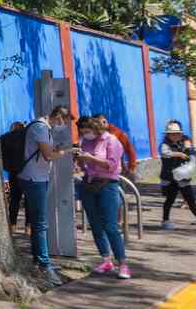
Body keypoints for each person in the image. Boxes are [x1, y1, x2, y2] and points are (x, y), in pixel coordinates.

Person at [19, 106, 73, 285]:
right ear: (57, 116)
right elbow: (48, 156)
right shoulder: (41, 128)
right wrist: (66, 152)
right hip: (34, 179)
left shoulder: (44, 128)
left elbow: (45, 152)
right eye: (63, 121)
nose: (63, 125)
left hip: (36, 177)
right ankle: (45, 265)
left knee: (36, 222)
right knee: (41, 223)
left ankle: (37, 260)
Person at [74, 116, 130, 280]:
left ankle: (123, 264)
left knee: (110, 226)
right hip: (88, 185)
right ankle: (106, 260)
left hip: (107, 185)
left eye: (88, 130)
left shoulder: (111, 140)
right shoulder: (85, 141)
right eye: (82, 131)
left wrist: (90, 158)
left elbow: (111, 165)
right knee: (96, 225)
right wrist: (79, 160)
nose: (85, 134)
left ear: (96, 129)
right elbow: (85, 166)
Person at [159, 120, 196, 232]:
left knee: (191, 201)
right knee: (169, 200)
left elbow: (191, 154)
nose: (175, 135)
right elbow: (164, 154)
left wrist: (191, 154)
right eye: (172, 134)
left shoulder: (185, 141)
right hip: (170, 178)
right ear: (167, 135)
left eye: (177, 133)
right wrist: (179, 154)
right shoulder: (164, 145)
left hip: (182, 177)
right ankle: (165, 221)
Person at [0, 121, 30, 230]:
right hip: (27, 171)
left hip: (13, 172)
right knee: (28, 200)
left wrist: (7, 166)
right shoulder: (26, 138)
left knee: (14, 199)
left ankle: (12, 225)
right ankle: (28, 226)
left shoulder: (4, 138)